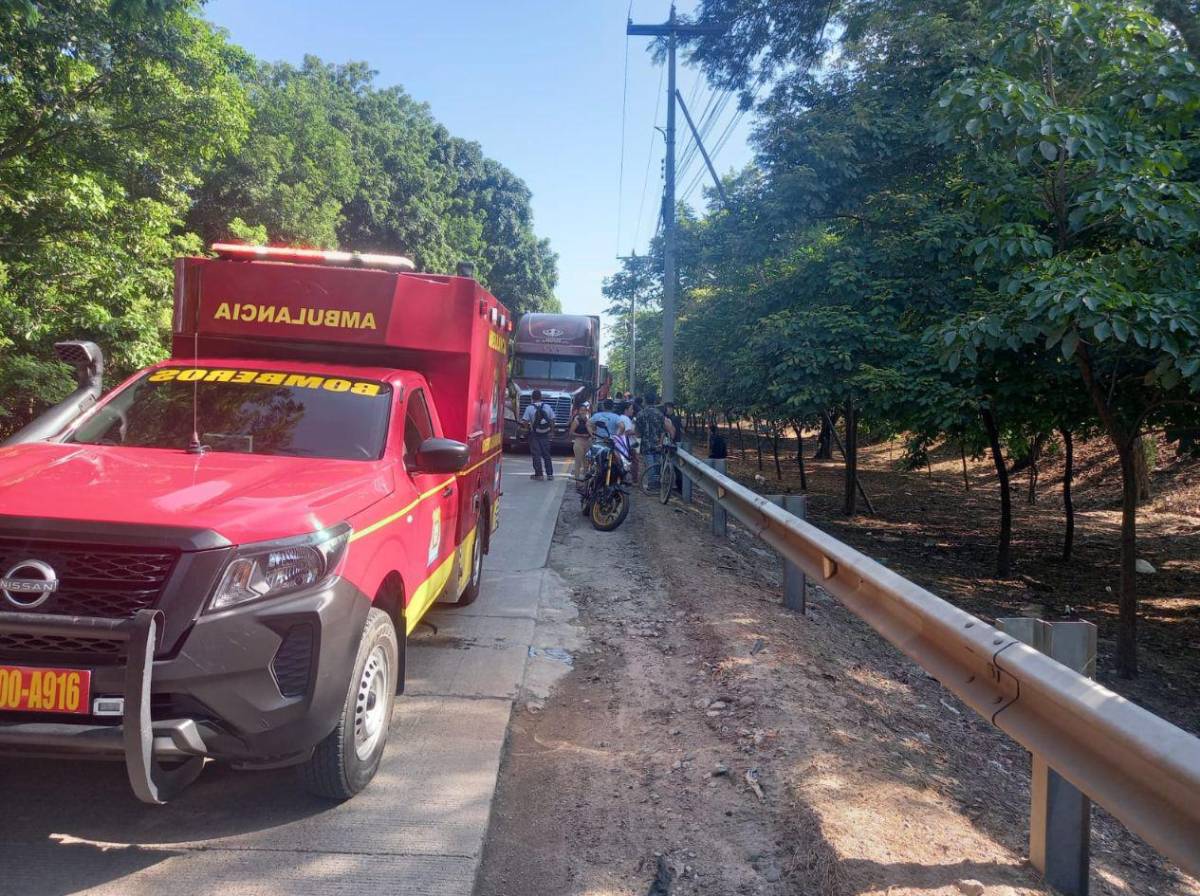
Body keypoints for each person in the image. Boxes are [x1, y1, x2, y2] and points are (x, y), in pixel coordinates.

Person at [521, 388, 555, 480]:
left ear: (532, 397)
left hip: (534, 434)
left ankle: (539, 475)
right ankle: (550, 474)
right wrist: (551, 431)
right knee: (546, 454)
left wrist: (527, 428)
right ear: (541, 397)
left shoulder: (529, 408)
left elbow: (525, 421)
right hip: (545, 433)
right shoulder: (547, 407)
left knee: (536, 454)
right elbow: (552, 420)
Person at [636, 393, 667, 488]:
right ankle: (657, 484)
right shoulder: (660, 414)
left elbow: (638, 432)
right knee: (657, 464)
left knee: (649, 465)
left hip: (646, 444)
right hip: (658, 443)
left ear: (645, 401)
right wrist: (661, 443)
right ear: (654, 401)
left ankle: (651, 484)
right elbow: (663, 431)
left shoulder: (640, 414)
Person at [570, 401, 591, 479]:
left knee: (586, 463)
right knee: (578, 462)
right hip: (579, 441)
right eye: (581, 410)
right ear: (579, 411)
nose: (583, 412)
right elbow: (571, 432)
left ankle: (585, 480)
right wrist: (581, 435)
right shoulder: (576, 420)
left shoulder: (588, 420)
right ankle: (577, 480)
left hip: (587, 442)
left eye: (584, 410)